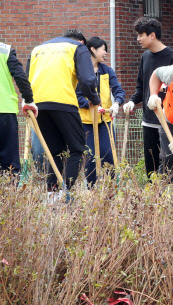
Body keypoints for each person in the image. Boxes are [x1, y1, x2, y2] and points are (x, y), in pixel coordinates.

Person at [26, 29, 100, 191]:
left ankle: (52, 195)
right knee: (77, 149)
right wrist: (95, 99)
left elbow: (27, 77)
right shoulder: (78, 48)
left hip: (38, 105)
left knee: (55, 152)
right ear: (82, 42)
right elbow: (88, 81)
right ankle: (68, 193)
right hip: (64, 102)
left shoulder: (38, 49)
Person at [124, 18, 173, 178]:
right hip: (148, 120)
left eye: (141, 35)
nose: (138, 39)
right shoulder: (145, 57)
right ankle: (152, 200)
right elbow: (141, 87)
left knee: (169, 165)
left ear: (152, 35)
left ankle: (170, 199)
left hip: (167, 121)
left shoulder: (172, 57)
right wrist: (132, 101)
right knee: (151, 165)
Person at [76, 36, 125, 186]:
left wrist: (117, 103)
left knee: (109, 155)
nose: (105, 53)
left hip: (105, 120)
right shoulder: (81, 72)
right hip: (86, 121)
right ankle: (91, 190)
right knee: (90, 158)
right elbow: (76, 95)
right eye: (103, 49)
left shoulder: (107, 70)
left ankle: (110, 188)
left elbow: (118, 90)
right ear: (93, 49)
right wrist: (88, 103)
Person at [0, 41, 36, 177]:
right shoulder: (5, 50)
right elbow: (20, 76)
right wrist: (28, 100)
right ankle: (10, 196)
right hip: (4, 111)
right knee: (9, 163)